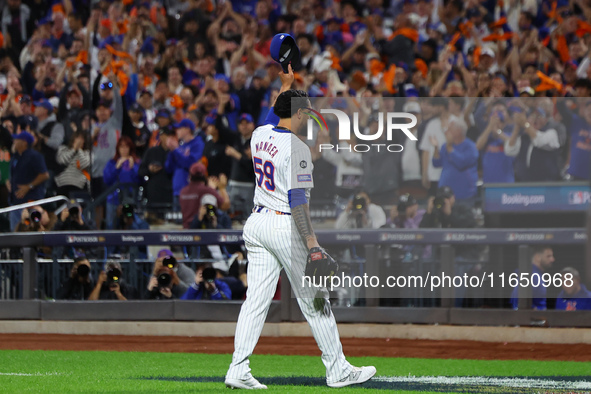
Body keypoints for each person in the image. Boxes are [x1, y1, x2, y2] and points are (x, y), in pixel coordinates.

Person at [225, 65, 375, 390]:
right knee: (315, 300)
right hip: (282, 225)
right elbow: (297, 202)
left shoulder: (259, 134)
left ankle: (238, 367)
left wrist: (286, 86)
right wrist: (312, 245)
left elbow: (273, 114)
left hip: (257, 223)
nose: (309, 115)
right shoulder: (299, 149)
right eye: (305, 111)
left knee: (255, 301)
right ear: (299, 113)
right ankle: (338, 370)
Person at [8, 131, 49, 231]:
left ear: (24, 142)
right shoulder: (15, 157)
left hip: (31, 201)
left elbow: (44, 175)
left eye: (17, 139)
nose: (14, 141)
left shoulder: (35, 156)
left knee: (31, 230)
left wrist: (29, 186)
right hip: (16, 202)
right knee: (15, 232)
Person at [431, 115, 478, 201]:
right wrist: (435, 148)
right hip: (445, 195)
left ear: (458, 131)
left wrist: (449, 147)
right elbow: (436, 163)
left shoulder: (470, 147)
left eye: (449, 129)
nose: (446, 132)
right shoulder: (445, 146)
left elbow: (461, 163)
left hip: (464, 194)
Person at [164, 118, 204, 210]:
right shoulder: (181, 146)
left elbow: (191, 164)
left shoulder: (198, 144)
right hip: (177, 190)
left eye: (179, 128)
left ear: (187, 129)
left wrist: (176, 149)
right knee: (177, 222)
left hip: (190, 191)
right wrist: (171, 151)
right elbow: (169, 168)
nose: (177, 131)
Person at [102, 137, 140, 229]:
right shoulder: (112, 163)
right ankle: (111, 243)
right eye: (121, 147)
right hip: (113, 199)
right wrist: (116, 167)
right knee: (111, 225)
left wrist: (132, 167)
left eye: (126, 147)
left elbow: (140, 180)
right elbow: (107, 180)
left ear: (130, 148)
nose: (124, 149)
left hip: (130, 200)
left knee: (131, 226)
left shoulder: (136, 162)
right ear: (118, 148)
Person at [180, 162, 230, 229]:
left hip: (187, 230)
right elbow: (225, 206)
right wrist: (222, 188)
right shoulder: (207, 190)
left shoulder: (183, 191)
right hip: (202, 228)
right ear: (205, 176)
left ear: (190, 175)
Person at [139, 128, 174, 212]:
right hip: (154, 193)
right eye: (165, 136)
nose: (167, 138)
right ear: (161, 137)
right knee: (153, 221)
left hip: (170, 192)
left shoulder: (175, 152)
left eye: (170, 136)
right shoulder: (151, 152)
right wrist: (150, 170)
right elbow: (141, 171)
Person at [55, 131, 91, 197]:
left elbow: (84, 164)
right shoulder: (63, 149)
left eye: (82, 138)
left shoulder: (87, 153)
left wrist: (79, 150)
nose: (79, 140)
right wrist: (73, 149)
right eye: (77, 138)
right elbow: (62, 161)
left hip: (79, 185)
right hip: (62, 184)